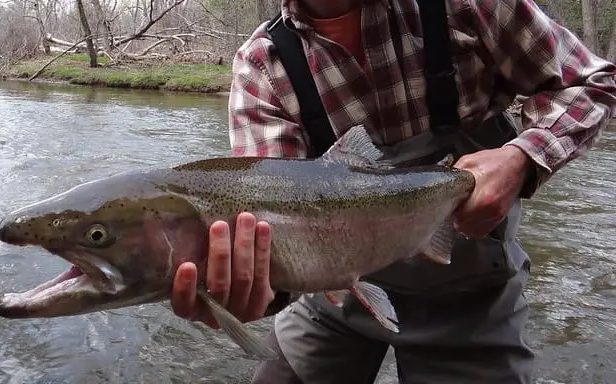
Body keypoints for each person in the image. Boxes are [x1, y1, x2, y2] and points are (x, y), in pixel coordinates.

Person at [170, 0, 616, 382]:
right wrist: (247, 295)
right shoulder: (263, 65)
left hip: (473, 297)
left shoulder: (464, 5)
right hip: (332, 299)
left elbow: (593, 83)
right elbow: (275, 242)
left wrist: (521, 159)